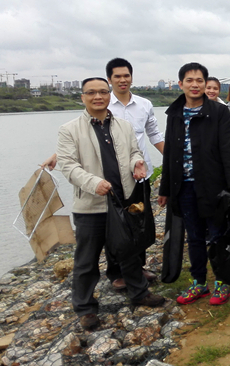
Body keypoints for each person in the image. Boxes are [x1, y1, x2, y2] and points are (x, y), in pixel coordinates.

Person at [41, 58, 165, 291]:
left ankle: (136, 270)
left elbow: (154, 135)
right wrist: (58, 155)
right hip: (101, 181)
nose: (122, 80)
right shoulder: (100, 107)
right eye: (117, 76)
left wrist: (173, 161)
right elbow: (84, 140)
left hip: (136, 175)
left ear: (131, 78)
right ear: (110, 80)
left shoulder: (144, 105)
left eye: (126, 75)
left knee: (136, 226)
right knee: (108, 231)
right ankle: (115, 275)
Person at [56, 77, 166, 331]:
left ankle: (139, 293)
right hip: (91, 205)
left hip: (123, 200)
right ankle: (85, 308)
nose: (98, 97)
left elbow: (134, 152)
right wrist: (93, 183)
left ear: (109, 95)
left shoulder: (123, 126)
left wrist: (137, 163)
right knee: (86, 260)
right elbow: (68, 166)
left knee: (129, 251)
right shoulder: (69, 130)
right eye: (91, 93)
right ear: (82, 97)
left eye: (102, 92)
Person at [158, 63, 230, 306]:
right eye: (189, 80)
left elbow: (227, 149)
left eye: (199, 80)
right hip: (183, 186)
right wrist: (165, 189)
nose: (194, 85)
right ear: (180, 84)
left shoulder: (218, 112)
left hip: (212, 185)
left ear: (205, 84)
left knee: (217, 234)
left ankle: (221, 282)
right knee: (194, 236)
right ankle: (198, 282)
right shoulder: (174, 113)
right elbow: (170, 152)